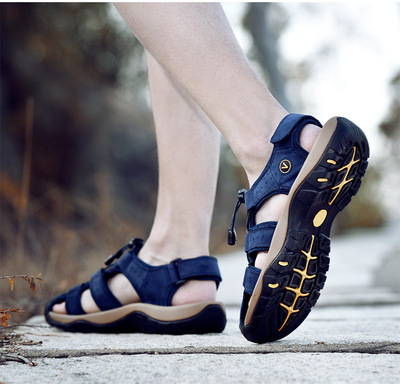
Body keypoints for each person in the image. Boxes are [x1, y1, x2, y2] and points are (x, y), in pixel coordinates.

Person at [45, 3, 369, 343]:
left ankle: (270, 145)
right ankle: (177, 252)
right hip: (179, 262)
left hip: (277, 152)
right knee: (164, 33)